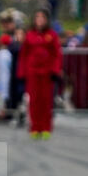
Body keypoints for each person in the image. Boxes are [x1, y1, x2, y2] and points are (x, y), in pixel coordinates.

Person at [17, 8, 61, 139]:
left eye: (43, 17)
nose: (40, 20)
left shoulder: (52, 35)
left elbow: (57, 54)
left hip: (47, 73)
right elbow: (24, 55)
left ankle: (46, 127)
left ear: (46, 20)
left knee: (46, 101)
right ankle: (35, 127)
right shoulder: (30, 35)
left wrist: (55, 70)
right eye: (38, 17)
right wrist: (22, 73)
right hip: (33, 73)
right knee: (34, 101)